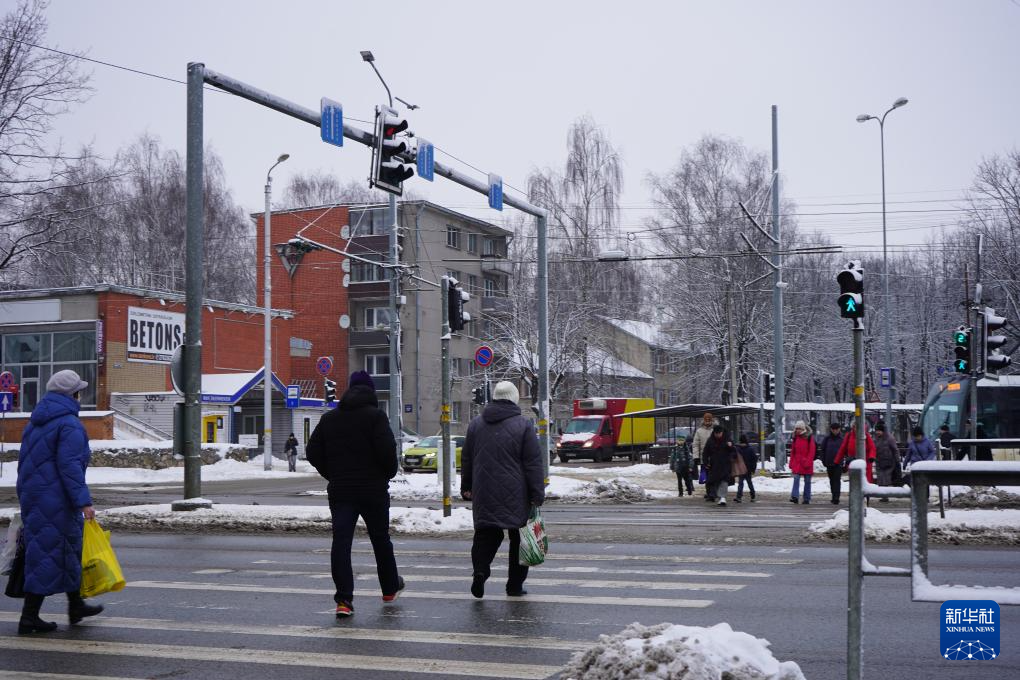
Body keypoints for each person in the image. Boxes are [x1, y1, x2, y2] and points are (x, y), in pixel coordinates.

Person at [306, 370, 403, 619]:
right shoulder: (376, 417)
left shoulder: (330, 419)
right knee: (380, 538)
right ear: (370, 392)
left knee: (341, 543)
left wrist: (332, 473)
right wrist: (385, 474)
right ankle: (390, 588)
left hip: (342, 490)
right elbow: (387, 453)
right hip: (373, 490)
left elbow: (312, 451)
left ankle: (344, 600)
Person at [15, 369, 104, 634]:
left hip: (36, 496)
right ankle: (28, 617)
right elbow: (70, 467)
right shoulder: (69, 424)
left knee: (64, 551)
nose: (81, 396)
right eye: (79, 391)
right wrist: (83, 502)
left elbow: (24, 463)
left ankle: (75, 606)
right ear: (72, 394)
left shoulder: (36, 421)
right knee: (47, 556)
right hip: (57, 499)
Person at [461, 381, 545, 598]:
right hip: (516, 492)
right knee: (519, 538)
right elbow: (533, 463)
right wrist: (537, 493)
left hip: (484, 490)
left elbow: (467, 459)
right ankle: (514, 586)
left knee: (485, 534)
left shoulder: (476, 424)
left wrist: (466, 487)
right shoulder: (524, 425)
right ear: (514, 398)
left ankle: (480, 572)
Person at [702, 425, 735, 507]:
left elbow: (734, 451)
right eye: (716, 433)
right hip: (714, 465)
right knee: (715, 481)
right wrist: (705, 462)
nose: (718, 435)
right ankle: (717, 496)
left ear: (722, 432)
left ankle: (722, 497)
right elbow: (705, 452)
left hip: (725, 464)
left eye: (719, 433)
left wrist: (730, 447)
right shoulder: (710, 440)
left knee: (724, 481)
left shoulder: (728, 439)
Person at [788, 421, 816, 505]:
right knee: (796, 479)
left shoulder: (809, 437)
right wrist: (791, 462)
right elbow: (793, 451)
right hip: (797, 462)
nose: (797, 430)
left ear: (803, 429)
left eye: (799, 428)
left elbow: (812, 451)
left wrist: (808, 462)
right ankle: (795, 497)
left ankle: (806, 498)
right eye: (796, 428)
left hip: (806, 463)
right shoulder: (795, 438)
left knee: (807, 481)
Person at [818, 423, 845, 505]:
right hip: (829, 463)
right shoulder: (827, 439)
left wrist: (844, 461)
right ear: (831, 429)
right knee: (832, 480)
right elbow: (822, 450)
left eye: (836, 429)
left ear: (839, 429)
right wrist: (823, 460)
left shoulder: (842, 439)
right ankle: (834, 495)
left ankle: (836, 497)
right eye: (833, 429)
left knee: (837, 480)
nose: (835, 431)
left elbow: (845, 450)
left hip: (838, 463)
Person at [873, 422, 902, 500]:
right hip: (879, 461)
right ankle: (883, 495)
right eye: (876, 430)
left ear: (883, 431)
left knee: (885, 480)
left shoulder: (889, 438)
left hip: (889, 462)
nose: (877, 432)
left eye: (879, 430)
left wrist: (897, 460)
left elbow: (895, 450)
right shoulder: (875, 439)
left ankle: (885, 496)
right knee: (880, 480)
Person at [691, 412, 716, 500]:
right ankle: (709, 492)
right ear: (704, 420)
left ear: (712, 420)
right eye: (706, 420)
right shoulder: (699, 431)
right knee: (706, 476)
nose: (708, 422)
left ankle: (713, 492)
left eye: (709, 420)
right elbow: (695, 444)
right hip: (703, 458)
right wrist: (696, 457)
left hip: (715, 458)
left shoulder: (715, 430)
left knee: (714, 476)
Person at [733, 434, 758, 503]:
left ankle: (739, 496)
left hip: (741, 469)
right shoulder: (750, 449)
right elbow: (754, 459)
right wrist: (753, 469)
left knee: (740, 483)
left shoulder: (737, 449)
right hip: (748, 469)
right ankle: (753, 496)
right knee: (749, 482)